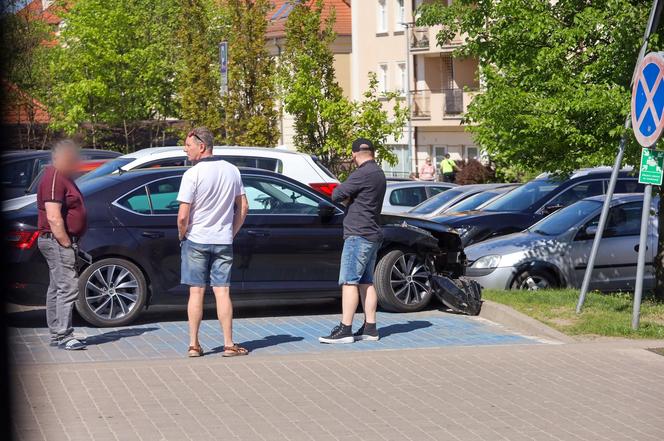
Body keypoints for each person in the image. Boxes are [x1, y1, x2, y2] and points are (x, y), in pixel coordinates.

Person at [176, 127, 249, 358]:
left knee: (196, 293)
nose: (185, 150)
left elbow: (182, 215)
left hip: (196, 239)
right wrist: (232, 231)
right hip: (223, 240)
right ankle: (228, 344)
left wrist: (182, 234)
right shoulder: (232, 170)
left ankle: (194, 345)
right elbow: (244, 206)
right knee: (222, 292)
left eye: (188, 145)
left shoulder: (192, 174)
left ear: (202, 146)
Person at [319, 138, 387, 344]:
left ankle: (345, 329)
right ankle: (370, 328)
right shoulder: (378, 173)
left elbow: (337, 194)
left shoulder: (362, 173)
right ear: (372, 152)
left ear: (354, 154)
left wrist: (348, 197)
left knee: (349, 281)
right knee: (366, 282)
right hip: (373, 232)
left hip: (358, 234)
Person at [37, 139, 87, 350]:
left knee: (57, 287)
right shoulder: (54, 177)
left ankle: (58, 334)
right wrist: (66, 244)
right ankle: (64, 335)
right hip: (56, 240)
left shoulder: (61, 176)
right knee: (67, 286)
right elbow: (54, 217)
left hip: (57, 240)